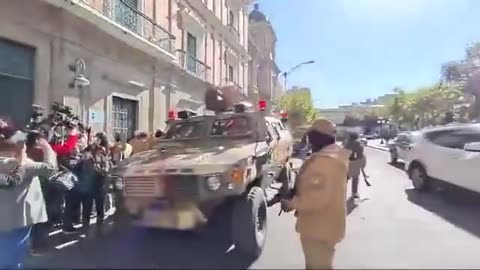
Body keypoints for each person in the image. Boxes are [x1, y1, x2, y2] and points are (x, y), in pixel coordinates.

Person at [282, 119, 351, 270]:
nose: (309, 141)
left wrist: (291, 203)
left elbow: (317, 198)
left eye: (311, 137)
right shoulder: (333, 156)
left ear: (318, 138)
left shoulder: (325, 162)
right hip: (326, 226)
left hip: (318, 229)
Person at [0, 130, 57, 269]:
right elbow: (51, 168)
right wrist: (47, 148)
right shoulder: (24, 165)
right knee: (14, 258)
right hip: (18, 220)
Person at [343, 132, 366, 199]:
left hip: (347, 163)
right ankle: (354, 192)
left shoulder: (346, 144)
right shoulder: (359, 145)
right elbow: (361, 156)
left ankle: (340, 192)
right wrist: (362, 165)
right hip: (355, 163)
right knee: (355, 178)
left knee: (345, 178)